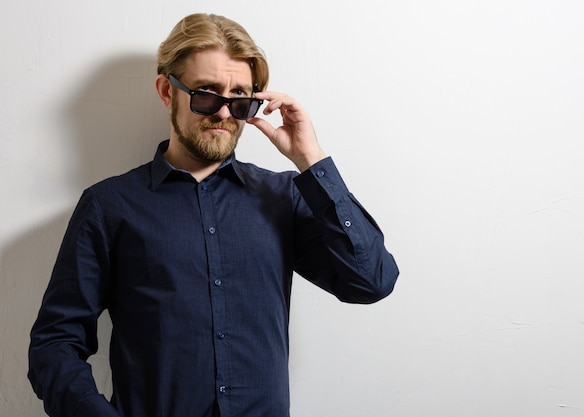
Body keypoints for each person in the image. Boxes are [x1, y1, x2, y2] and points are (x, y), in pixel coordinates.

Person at [28, 12, 399, 417]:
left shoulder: (283, 198)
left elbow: (372, 281)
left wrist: (310, 160)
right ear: (167, 92)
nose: (224, 113)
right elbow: (55, 344)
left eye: (240, 98)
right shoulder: (109, 206)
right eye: (206, 94)